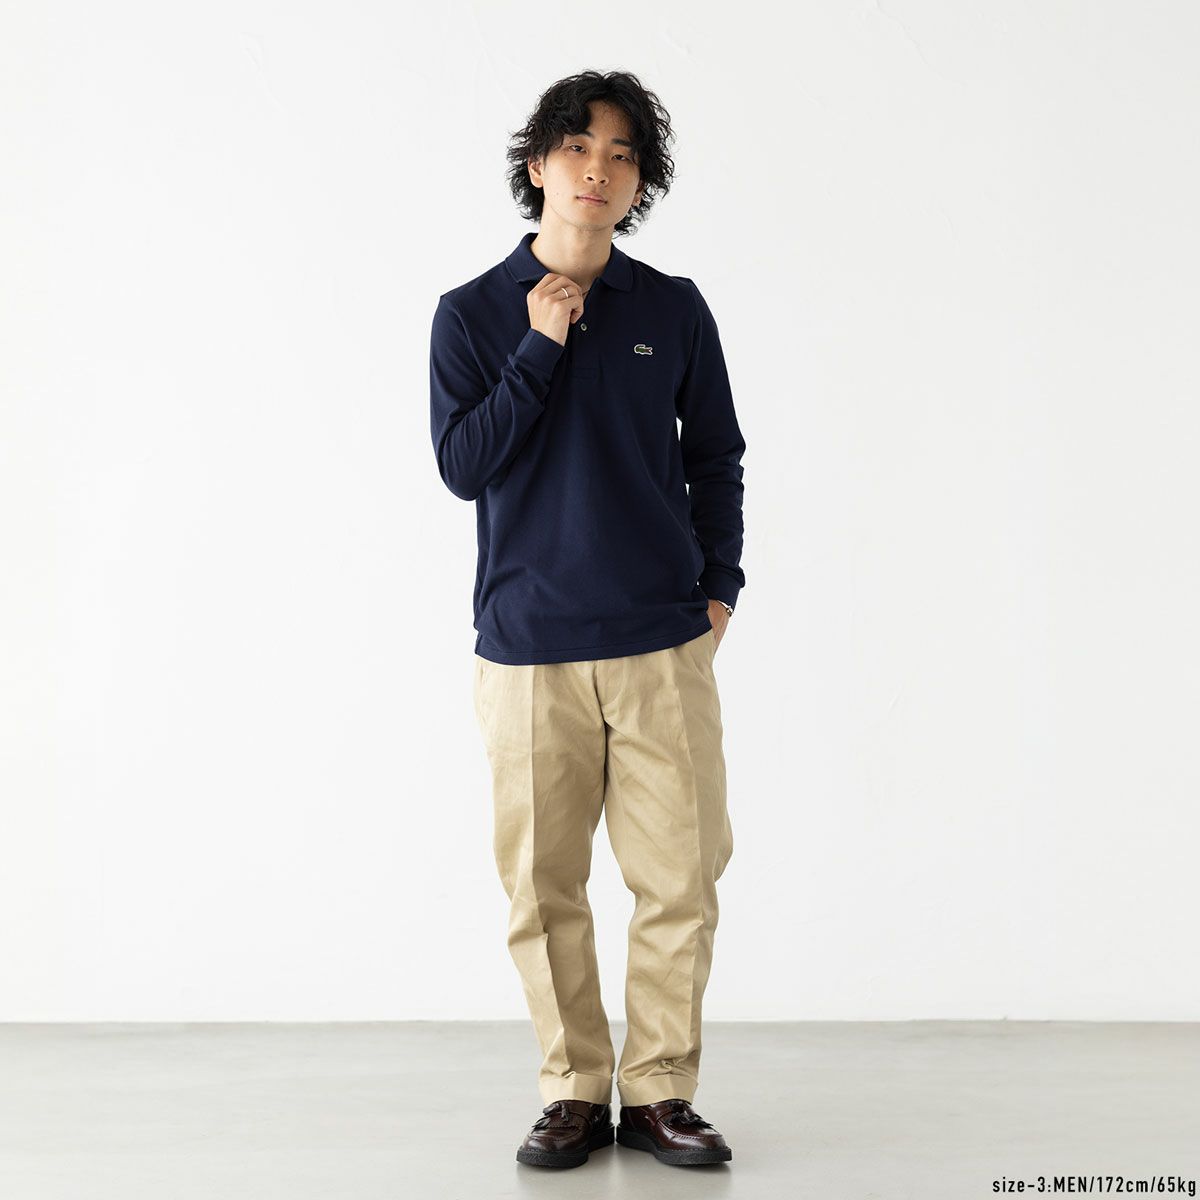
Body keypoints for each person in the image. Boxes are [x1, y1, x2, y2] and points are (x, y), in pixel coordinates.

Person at [429, 68, 746, 1170]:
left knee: (681, 880)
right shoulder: (472, 313)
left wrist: (720, 590)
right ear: (538, 165)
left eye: (620, 154)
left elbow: (716, 456)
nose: (597, 170)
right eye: (577, 148)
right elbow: (463, 467)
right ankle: (572, 1088)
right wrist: (540, 346)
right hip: (528, 650)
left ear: (638, 182)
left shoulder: (672, 308)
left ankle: (661, 1092)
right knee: (542, 886)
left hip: (661, 642)